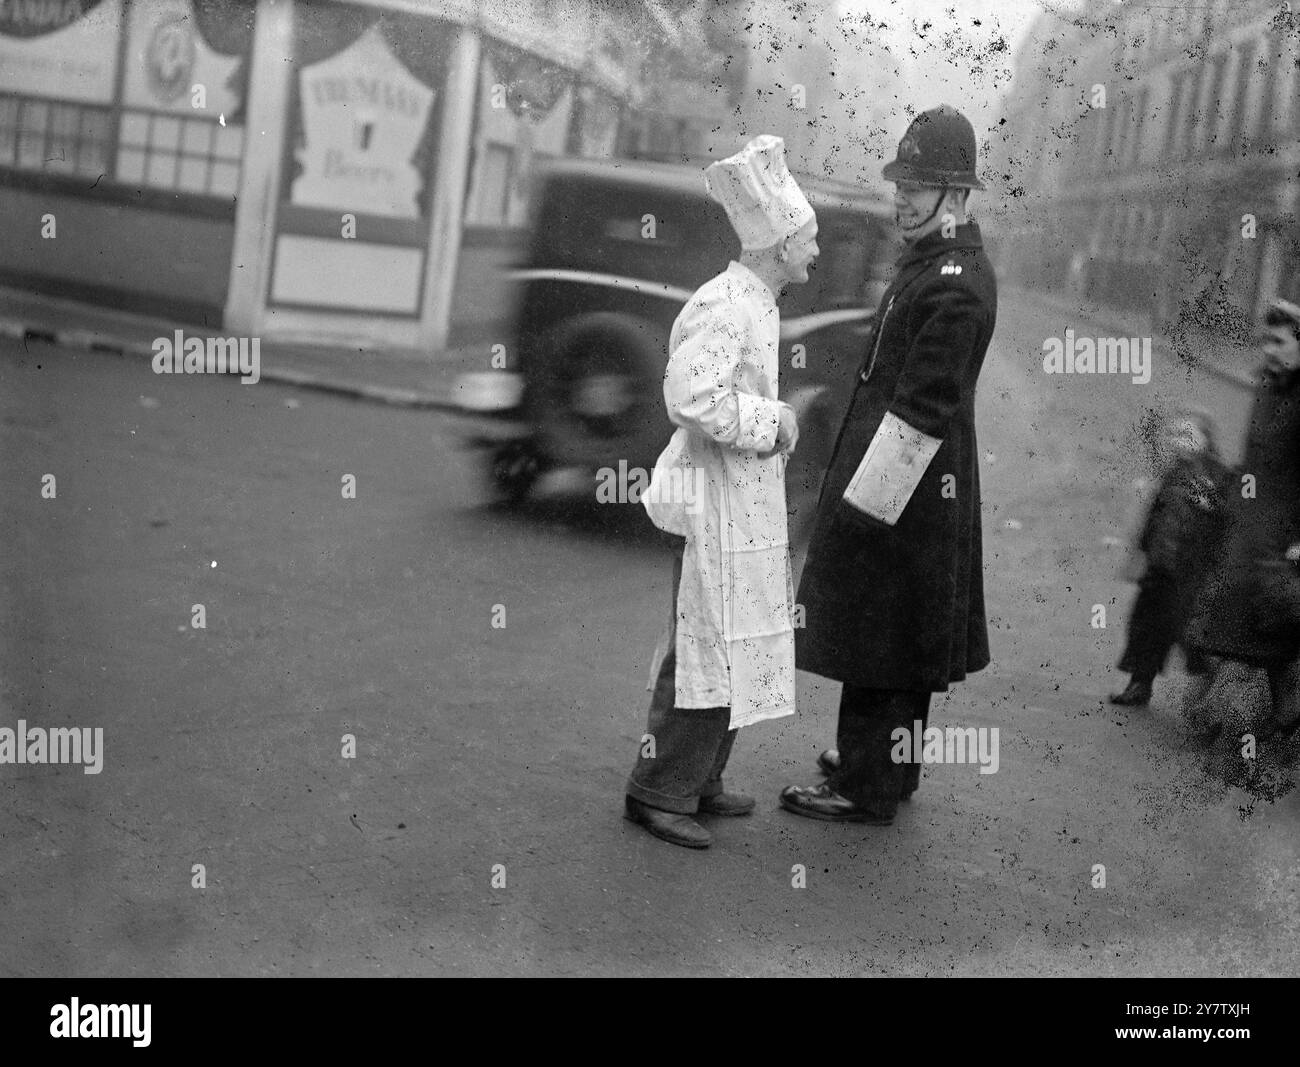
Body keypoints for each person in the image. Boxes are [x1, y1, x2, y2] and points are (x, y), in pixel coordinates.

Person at [778, 104, 998, 825]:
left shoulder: (955, 281)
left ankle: (863, 787)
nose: (902, 195)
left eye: (921, 183)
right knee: (900, 639)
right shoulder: (933, 263)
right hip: (915, 490)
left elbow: (921, 413)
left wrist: (861, 512)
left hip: (906, 490)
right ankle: (885, 771)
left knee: (882, 636)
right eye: (901, 181)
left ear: (958, 195)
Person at [624, 135, 818, 849]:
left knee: (736, 644)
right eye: (808, 239)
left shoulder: (757, 300)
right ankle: (656, 789)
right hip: (711, 504)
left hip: (743, 503)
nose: (815, 252)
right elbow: (690, 396)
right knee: (702, 644)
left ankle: (699, 777)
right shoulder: (727, 303)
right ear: (776, 244)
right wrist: (773, 420)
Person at [1184, 293, 1300, 755]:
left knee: (1269, 627)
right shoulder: (1269, 387)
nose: (1269, 350)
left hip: (1282, 534)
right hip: (1249, 522)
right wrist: (1224, 491)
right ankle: (1230, 710)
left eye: (1279, 341)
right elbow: (1254, 458)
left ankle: (1276, 717)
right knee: (1228, 617)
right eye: (1266, 341)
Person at [1109, 411, 1231, 707]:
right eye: (1175, 436)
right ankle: (1139, 684)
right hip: (1160, 567)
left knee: (1190, 634)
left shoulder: (1218, 477)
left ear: (1205, 441)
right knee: (1146, 628)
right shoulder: (1173, 473)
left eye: (1188, 436)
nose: (1179, 442)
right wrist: (1141, 553)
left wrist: (1212, 505)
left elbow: (1227, 521)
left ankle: (1215, 692)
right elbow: (1154, 515)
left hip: (1192, 573)